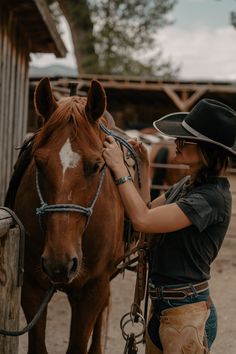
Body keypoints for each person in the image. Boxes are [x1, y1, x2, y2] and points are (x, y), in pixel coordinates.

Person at [102, 98, 236, 354]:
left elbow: (142, 220)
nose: (176, 143)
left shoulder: (210, 198)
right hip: (167, 308)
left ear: (206, 150)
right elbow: (148, 212)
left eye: (184, 140)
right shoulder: (188, 184)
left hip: (186, 314)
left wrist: (119, 167)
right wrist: (145, 166)